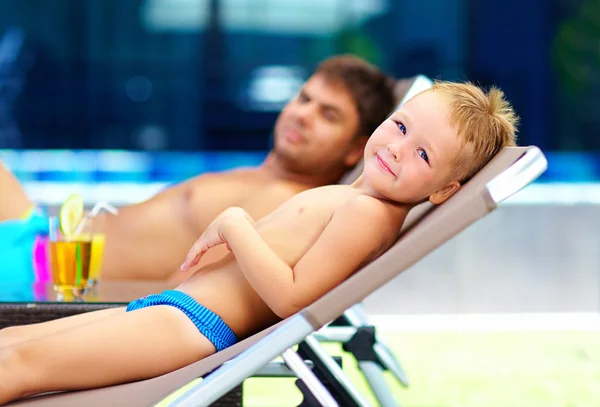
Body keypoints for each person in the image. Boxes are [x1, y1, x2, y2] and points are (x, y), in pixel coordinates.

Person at [0, 80, 518, 404]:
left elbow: (294, 299)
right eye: (401, 126)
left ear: (446, 189)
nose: (398, 149)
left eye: (424, 155)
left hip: (191, 325)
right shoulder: (352, 199)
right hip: (174, 308)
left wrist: (234, 223)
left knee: (18, 365)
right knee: (9, 346)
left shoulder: (367, 214)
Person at [0, 55, 397, 283]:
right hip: (39, 241)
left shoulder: (286, 204)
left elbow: (186, 295)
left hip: (50, 279)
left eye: (328, 115)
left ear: (355, 150)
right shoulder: (263, 178)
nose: (303, 115)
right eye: (304, 98)